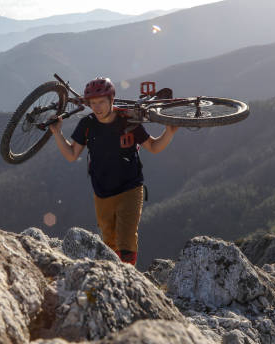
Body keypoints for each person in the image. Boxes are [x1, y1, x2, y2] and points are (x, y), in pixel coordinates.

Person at [49, 77, 178, 266]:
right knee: (109, 242)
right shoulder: (87, 123)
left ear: (111, 100)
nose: (97, 107)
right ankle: (116, 274)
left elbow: (153, 146)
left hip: (130, 187)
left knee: (126, 238)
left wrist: (170, 133)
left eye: (101, 101)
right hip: (102, 192)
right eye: (93, 103)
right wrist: (57, 133)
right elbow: (71, 154)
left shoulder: (128, 121)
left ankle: (128, 278)